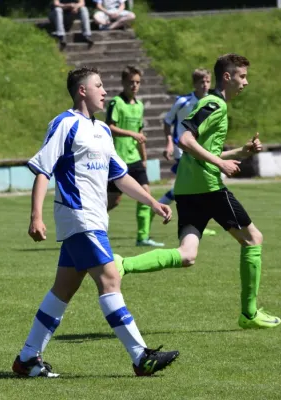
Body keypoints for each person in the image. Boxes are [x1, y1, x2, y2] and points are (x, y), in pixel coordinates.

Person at [11, 67, 179, 378]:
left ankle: (28, 358)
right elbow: (42, 169)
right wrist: (35, 215)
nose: (105, 91)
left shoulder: (102, 130)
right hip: (79, 216)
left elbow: (120, 176)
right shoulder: (64, 124)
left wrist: (153, 202)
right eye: (98, 85)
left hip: (95, 220)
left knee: (62, 291)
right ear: (82, 91)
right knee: (110, 279)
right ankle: (141, 356)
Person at [109, 54, 281, 330]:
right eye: (243, 76)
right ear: (227, 77)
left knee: (187, 254)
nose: (246, 82)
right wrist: (220, 163)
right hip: (208, 187)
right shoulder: (214, 104)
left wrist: (240, 152)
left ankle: (122, 264)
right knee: (253, 239)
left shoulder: (211, 104)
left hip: (188, 189)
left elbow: (203, 148)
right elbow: (185, 139)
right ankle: (249, 314)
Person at [106, 66, 164, 247]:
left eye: (137, 82)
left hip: (135, 160)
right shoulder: (116, 103)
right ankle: (88, 225)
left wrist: (144, 158)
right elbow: (109, 127)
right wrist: (131, 134)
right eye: (131, 82)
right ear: (123, 82)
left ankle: (142, 237)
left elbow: (140, 134)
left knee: (146, 195)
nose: (134, 85)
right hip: (117, 159)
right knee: (113, 201)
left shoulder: (139, 106)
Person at [158, 68, 217, 237]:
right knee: (196, 184)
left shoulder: (212, 102)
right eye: (201, 82)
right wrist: (169, 142)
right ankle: (159, 205)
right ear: (194, 84)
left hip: (200, 149)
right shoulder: (182, 102)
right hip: (181, 149)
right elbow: (167, 121)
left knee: (193, 185)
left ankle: (196, 223)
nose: (205, 85)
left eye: (207, 81)